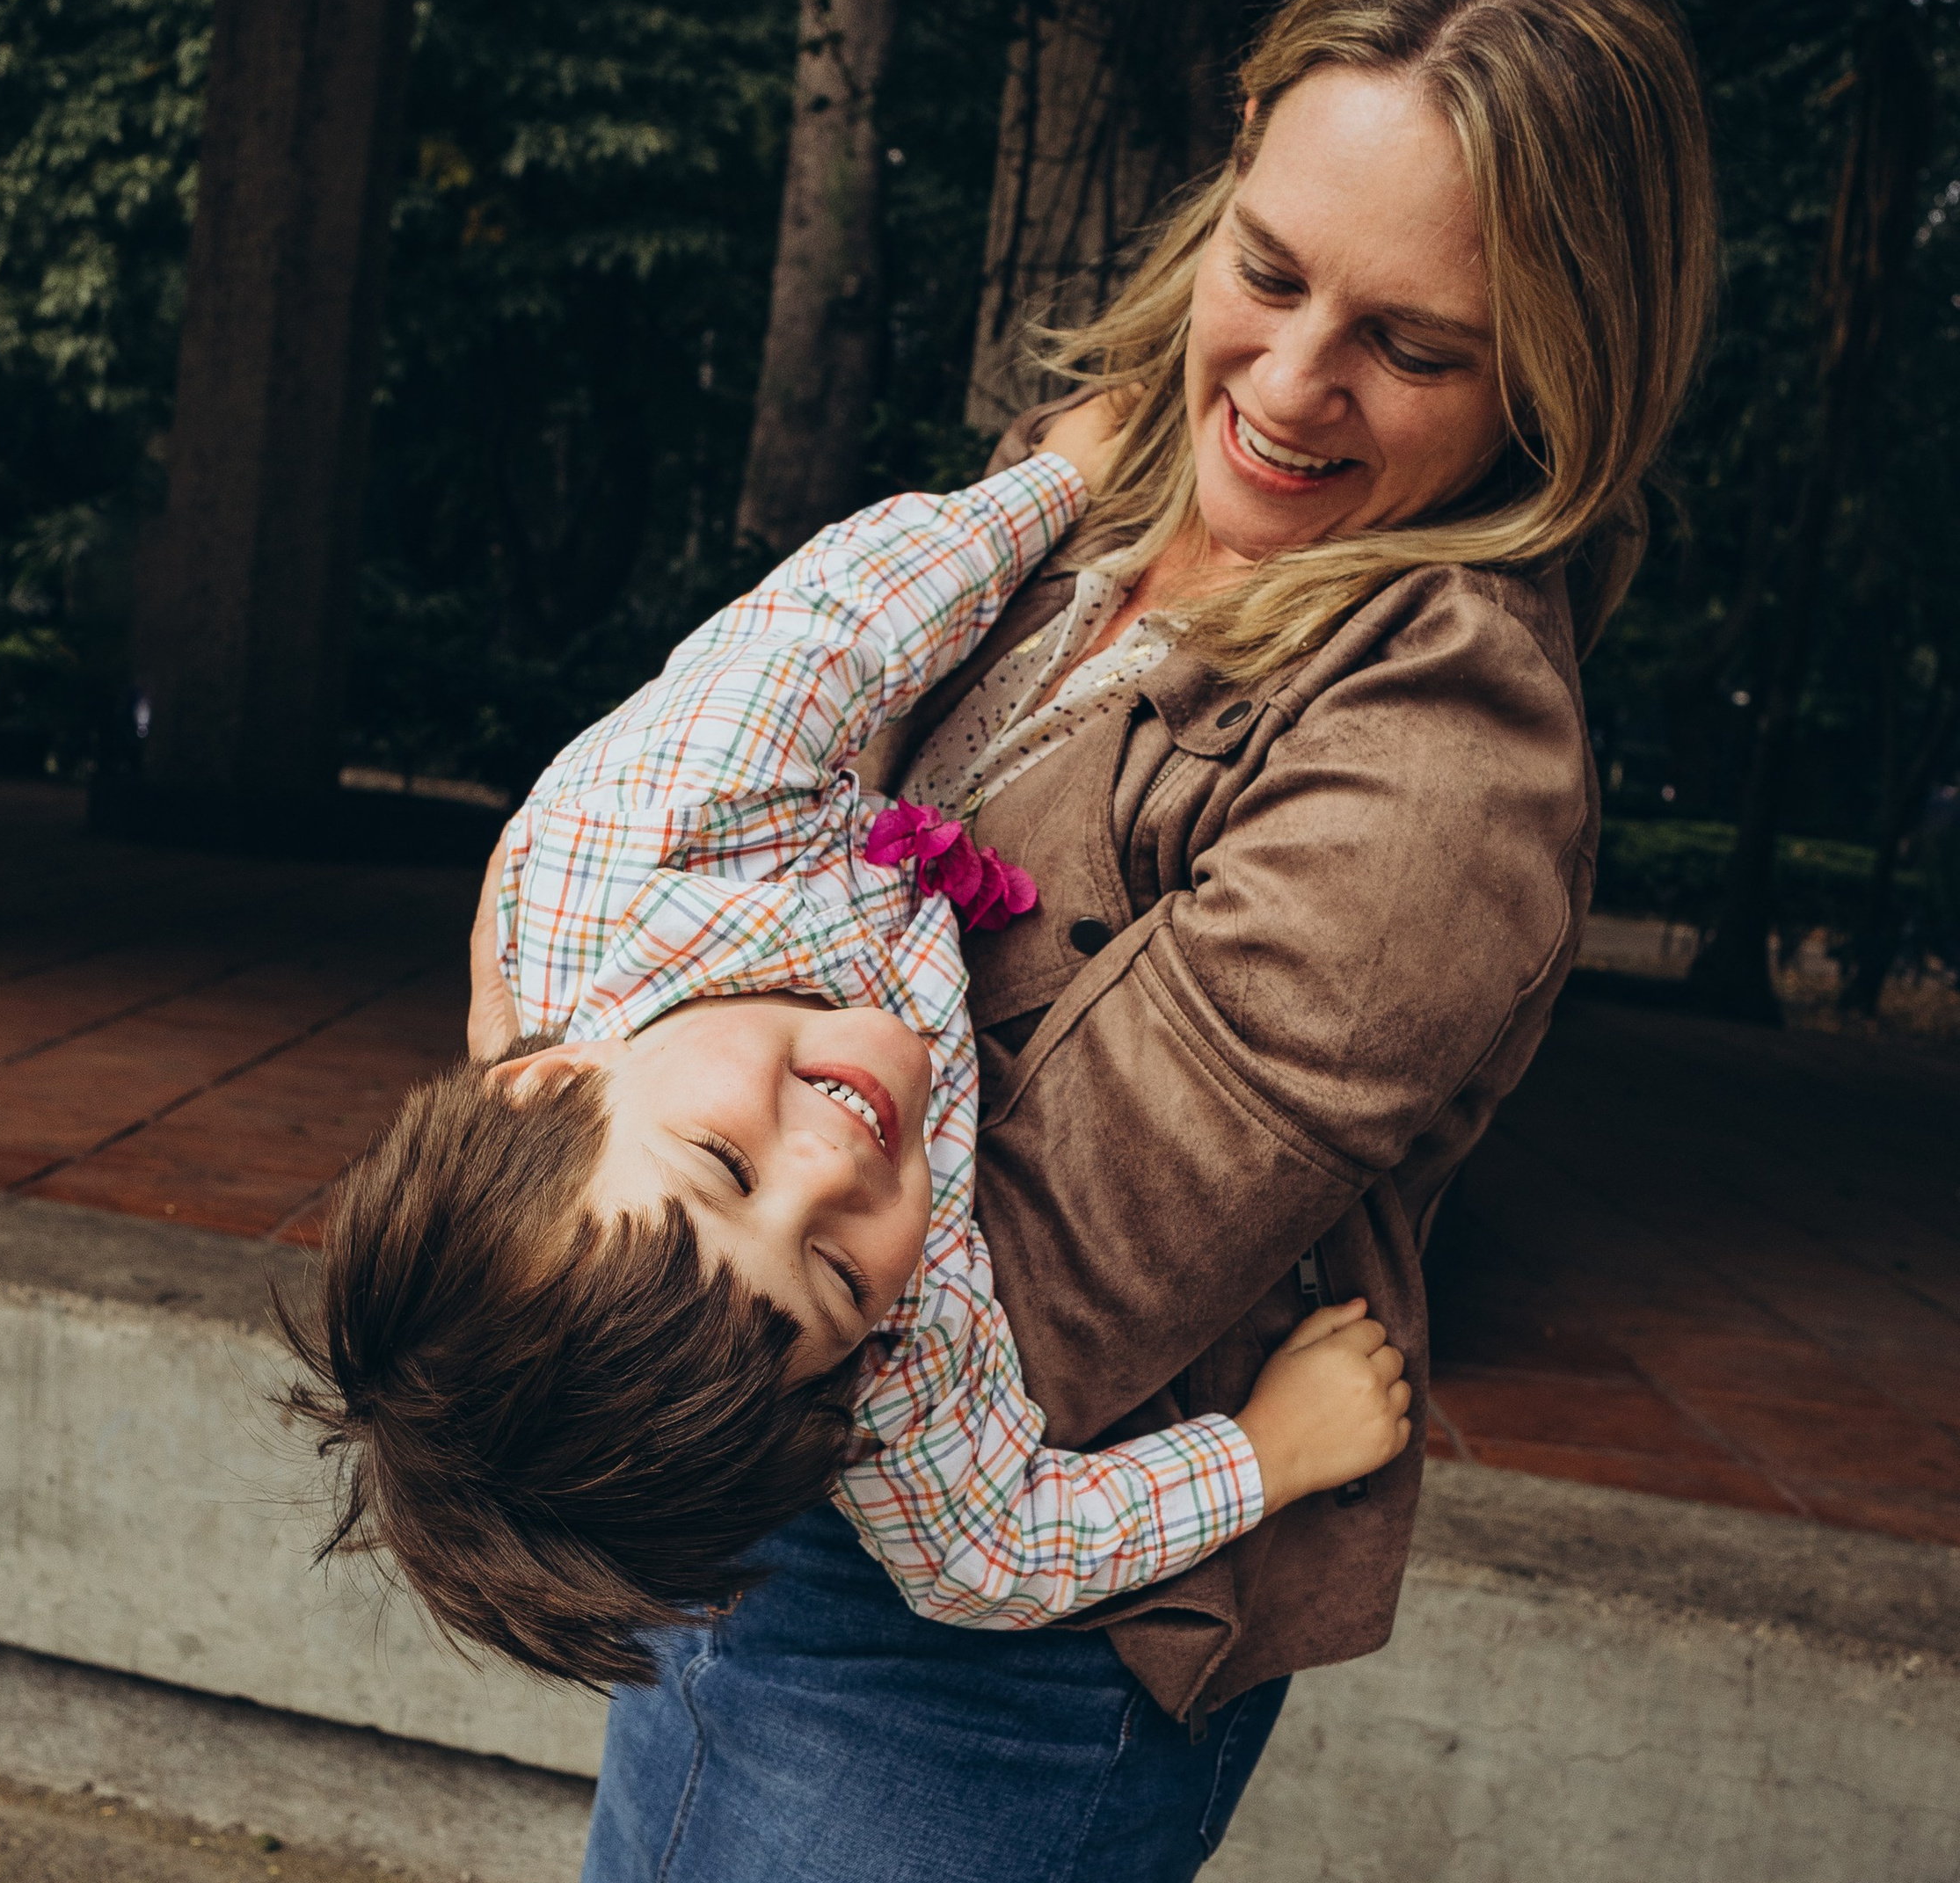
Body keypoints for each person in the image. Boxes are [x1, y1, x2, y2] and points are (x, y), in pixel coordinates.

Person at [478, 0, 1717, 1883]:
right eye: (1273, 270)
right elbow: (675, 792)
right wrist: (605, 1050)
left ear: (1558, 377)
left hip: (992, 1633)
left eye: (1413, 347)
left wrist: (615, 1129)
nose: (1289, 382)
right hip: (776, 1520)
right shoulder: (1095, 511)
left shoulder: (1446, 737)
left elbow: (1021, 1291)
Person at [287, 450, 1410, 1678]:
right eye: (829, 1271)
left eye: (721, 1163)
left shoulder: (644, 827)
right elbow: (987, 1550)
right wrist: (1266, 1452)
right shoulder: (896, 1344)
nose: (828, 1166)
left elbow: (837, 619)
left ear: (554, 1079)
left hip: (769, 860)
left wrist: (1063, 475)